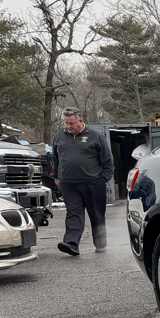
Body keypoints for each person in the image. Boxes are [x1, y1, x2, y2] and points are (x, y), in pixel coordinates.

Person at [51, 108, 113, 256]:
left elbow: (108, 161)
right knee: (73, 214)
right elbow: (55, 158)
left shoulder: (95, 137)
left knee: (97, 215)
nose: (69, 126)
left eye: (71, 123)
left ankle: (100, 244)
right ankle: (71, 243)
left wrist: (103, 179)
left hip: (93, 183)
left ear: (80, 121)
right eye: (66, 123)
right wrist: (57, 177)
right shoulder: (59, 136)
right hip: (69, 184)